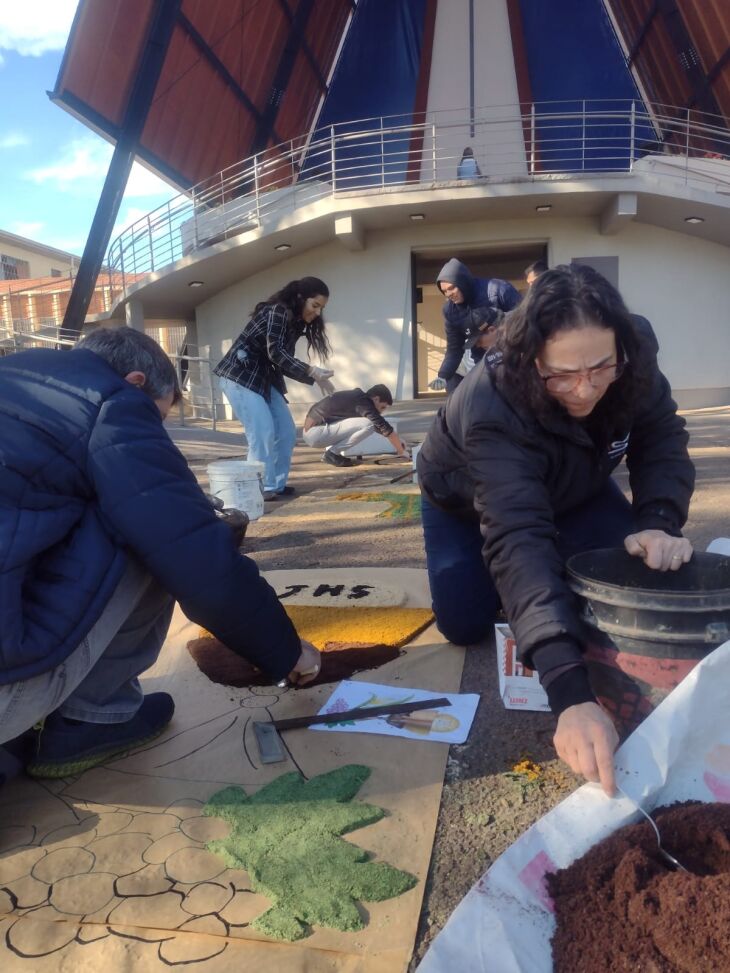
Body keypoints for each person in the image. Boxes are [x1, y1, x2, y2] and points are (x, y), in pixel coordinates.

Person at [417, 265, 695, 796]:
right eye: (562, 375)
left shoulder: (634, 361)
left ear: (621, 347)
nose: (585, 389)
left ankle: (532, 598)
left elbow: (660, 436)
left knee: (629, 577)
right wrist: (569, 694)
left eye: (599, 367)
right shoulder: (491, 400)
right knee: (464, 623)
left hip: (575, 487)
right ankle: (508, 593)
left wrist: (659, 521)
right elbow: (519, 533)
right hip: (463, 500)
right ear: (530, 360)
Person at [0, 327, 321, 781]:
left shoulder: (22, 377)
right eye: (160, 418)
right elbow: (191, 553)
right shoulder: (112, 402)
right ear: (134, 383)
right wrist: (285, 652)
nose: (159, 432)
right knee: (149, 530)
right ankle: (94, 717)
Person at [215, 277, 335, 500]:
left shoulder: (295, 323)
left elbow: (281, 360)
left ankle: (275, 484)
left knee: (287, 432)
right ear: (300, 298)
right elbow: (276, 353)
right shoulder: (276, 312)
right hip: (240, 376)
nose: (318, 313)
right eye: (315, 305)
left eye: (321, 308)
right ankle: (260, 487)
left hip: (264, 379)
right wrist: (310, 370)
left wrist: (314, 377)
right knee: (262, 432)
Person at [428, 258, 521, 394]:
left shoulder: (497, 290)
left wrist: (501, 323)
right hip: (481, 359)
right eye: (444, 291)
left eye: (451, 288)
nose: (449, 294)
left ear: (462, 282)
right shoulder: (450, 311)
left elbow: (524, 318)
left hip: (511, 352)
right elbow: (454, 348)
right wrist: (443, 376)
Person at [303, 384, 410, 467]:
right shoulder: (363, 403)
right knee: (369, 424)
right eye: (382, 407)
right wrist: (401, 451)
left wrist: (398, 440)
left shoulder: (359, 398)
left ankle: (332, 454)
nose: (381, 412)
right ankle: (332, 454)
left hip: (314, 431)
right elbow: (381, 426)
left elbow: (380, 427)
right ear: (376, 399)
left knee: (369, 424)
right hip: (315, 433)